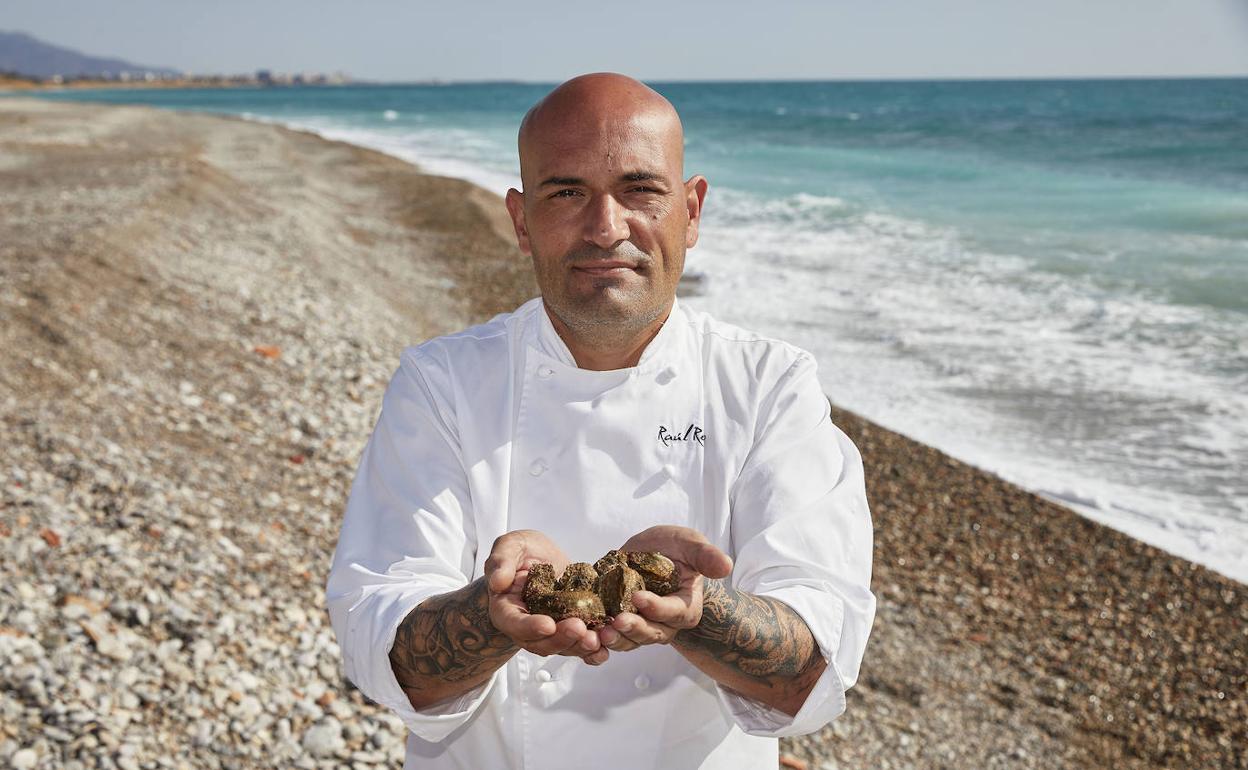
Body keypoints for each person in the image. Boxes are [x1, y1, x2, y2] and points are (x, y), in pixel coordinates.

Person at [326, 73, 876, 770]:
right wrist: (491, 614)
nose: (606, 228)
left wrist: (699, 612)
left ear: (693, 210)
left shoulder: (769, 387)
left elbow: (820, 661)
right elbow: (380, 646)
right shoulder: (444, 385)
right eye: (567, 193)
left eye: (641, 190)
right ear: (522, 221)